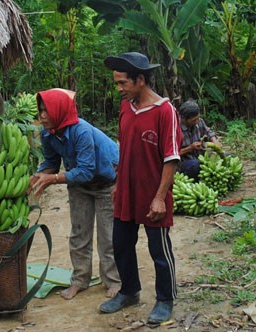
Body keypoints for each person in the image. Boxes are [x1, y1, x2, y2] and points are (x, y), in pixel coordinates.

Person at [100, 52, 182, 324]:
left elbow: (171, 158)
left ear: (141, 79)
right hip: (125, 190)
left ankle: (165, 298)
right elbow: (125, 147)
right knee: (121, 244)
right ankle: (129, 291)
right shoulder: (127, 107)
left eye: (123, 83)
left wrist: (160, 197)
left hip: (153, 194)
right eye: (117, 84)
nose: (119, 89)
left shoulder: (165, 111)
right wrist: (118, 182)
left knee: (159, 250)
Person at [28, 88, 121, 301]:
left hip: (106, 183)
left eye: (46, 111)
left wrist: (53, 179)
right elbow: (51, 163)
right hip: (79, 185)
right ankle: (80, 280)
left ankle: (114, 281)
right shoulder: (47, 134)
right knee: (79, 234)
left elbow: (87, 169)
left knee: (108, 237)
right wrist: (39, 176)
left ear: (59, 111)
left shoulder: (80, 132)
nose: (41, 116)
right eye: (40, 111)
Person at [178, 99, 222, 180]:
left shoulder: (199, 121)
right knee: (197, 167)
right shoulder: (175, 128)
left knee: (229, 157)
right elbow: (171, 154)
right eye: (193, 120)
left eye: (197, 118)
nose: (197, 121)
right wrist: (190, 148)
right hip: (184, 162)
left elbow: (208, 131)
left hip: (201, 157)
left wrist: (214, 141)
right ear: (183, 118)